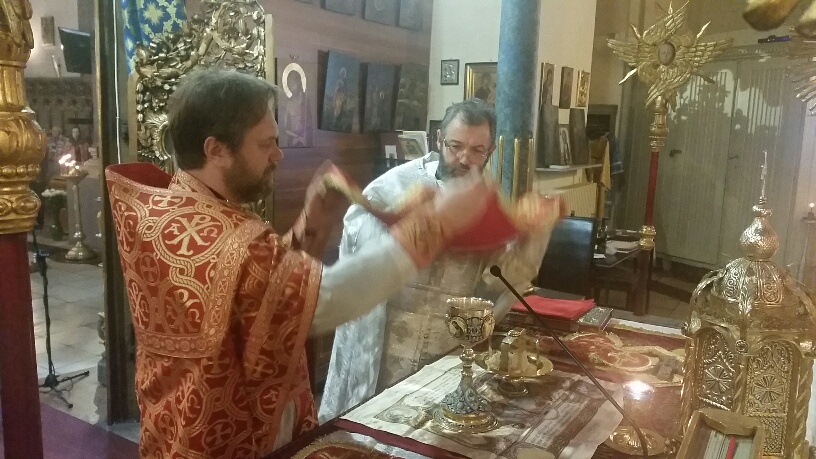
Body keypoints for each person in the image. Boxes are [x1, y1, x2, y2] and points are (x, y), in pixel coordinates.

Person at [104, 69, 492, 459]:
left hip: (173, 421)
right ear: (216, 150)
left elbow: (253, 285)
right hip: (226, 436)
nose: (278, 155)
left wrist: (312, 224)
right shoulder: (227, 238)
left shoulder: (167, 209)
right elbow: (331, 300)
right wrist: (432, 228)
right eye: (266, 144)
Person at [318, 98, 563, 423]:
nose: (464, 158)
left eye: (477, 150)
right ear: (438, 140)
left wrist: (535, 233)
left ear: (490, 151)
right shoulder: (395, 184)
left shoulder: (484, 202)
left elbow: (502, 278)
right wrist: (416, 219)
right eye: (455, 146)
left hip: (445, 350)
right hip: (385, 347)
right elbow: (354, 241)